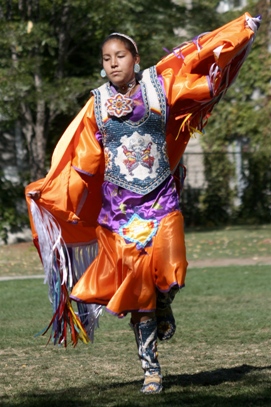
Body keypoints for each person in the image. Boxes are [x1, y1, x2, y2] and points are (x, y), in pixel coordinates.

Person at [26, 13, 260, 395]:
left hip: (162, 202)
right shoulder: (97, 105)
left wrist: (239, 34)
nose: (113, 63)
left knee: (173, 273)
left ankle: (165, 300)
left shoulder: (159, 86)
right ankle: (152, 371)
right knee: (140, 300)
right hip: (119, 216)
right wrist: (53, 192)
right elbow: (83, 163)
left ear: (135, 59)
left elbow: (202, 73)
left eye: (120, 56)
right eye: (106, 58)